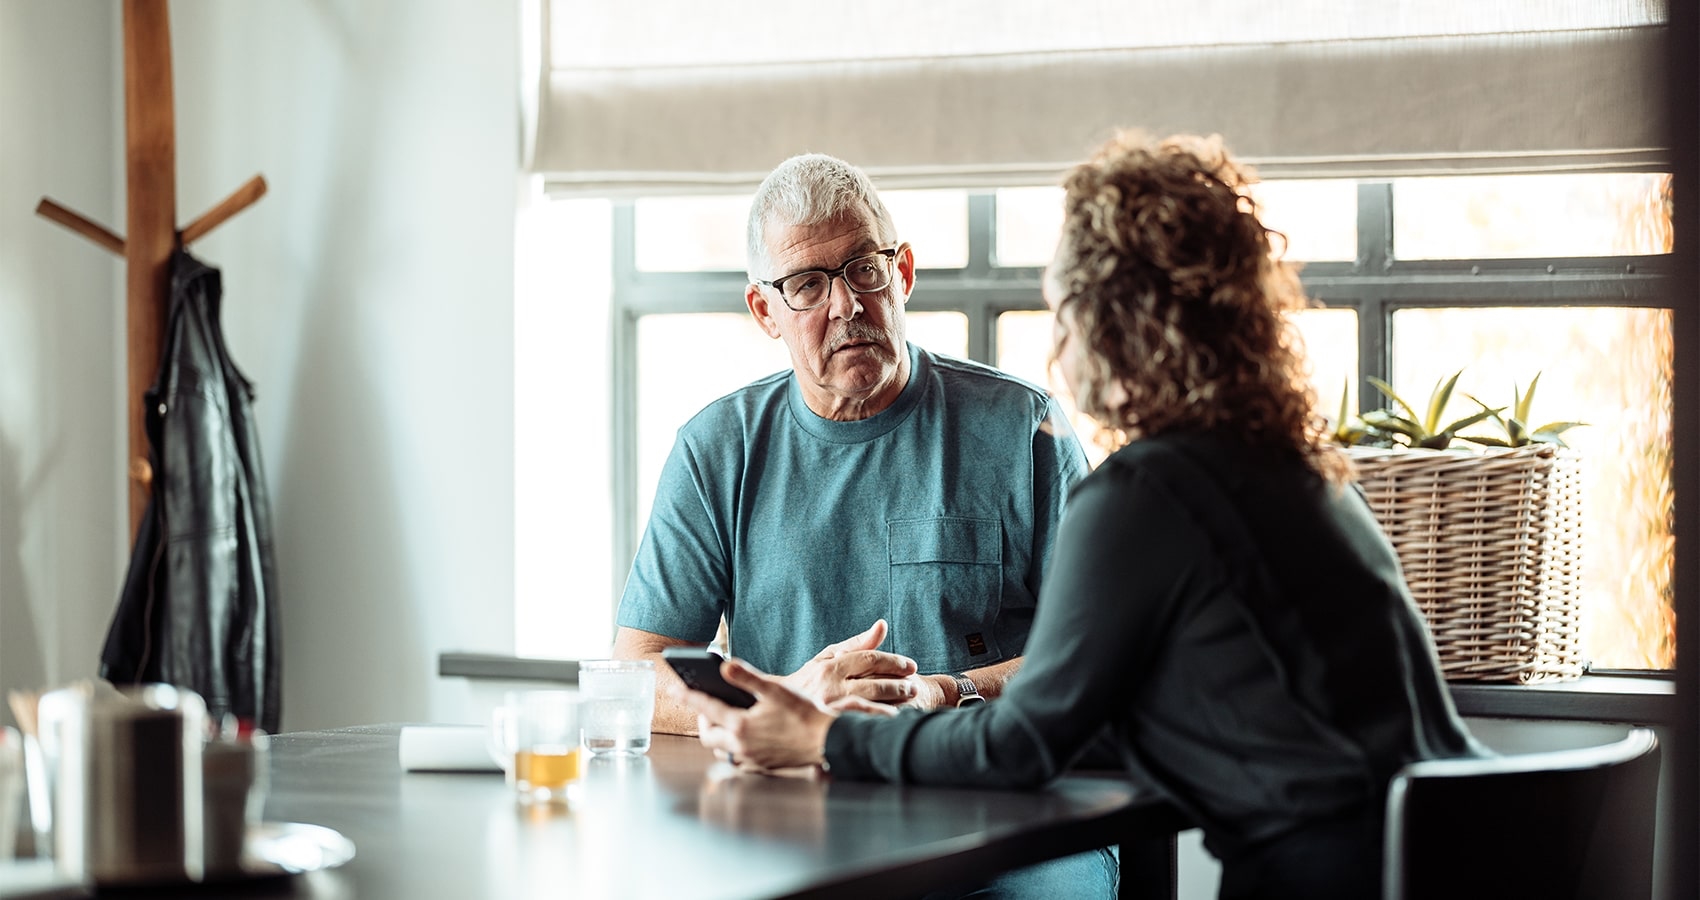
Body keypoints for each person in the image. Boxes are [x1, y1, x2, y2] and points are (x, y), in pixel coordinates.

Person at [677, 132, 1488, 900]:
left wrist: (822, 738)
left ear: (1105, 326)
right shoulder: (1298, 471)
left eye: (1062, 308)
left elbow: (1021, 744)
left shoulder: (1146, 498)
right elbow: (1099, 713)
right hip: (1462, 857)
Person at [613, 153, 1112, 895]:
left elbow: (1094, 656)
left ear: (902, 273)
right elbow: (635, 671)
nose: (844, 304)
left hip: (1003, 814)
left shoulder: (1021, 427)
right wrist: (786, 701)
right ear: (764, 312)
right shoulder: (715, 449)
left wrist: (948, 691)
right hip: (792, 822)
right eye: (807, 285)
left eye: (863, 269)